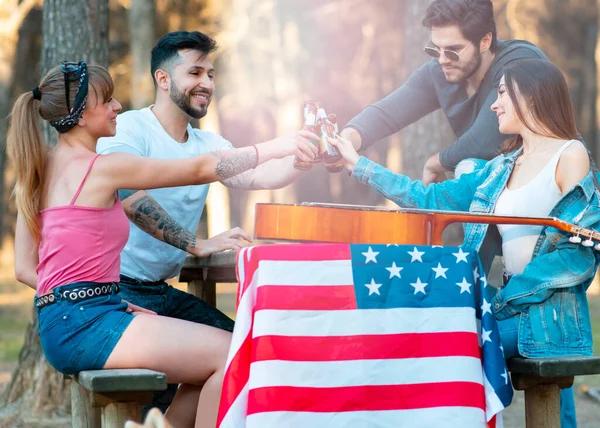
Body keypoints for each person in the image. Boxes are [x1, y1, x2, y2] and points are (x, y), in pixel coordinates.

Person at [9, 61, 316, 428]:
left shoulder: (38, 170)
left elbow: (25, 269)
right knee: (235, 353)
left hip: (66, 321)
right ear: (79, 117)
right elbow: (200, 169)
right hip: (88, 322)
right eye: (105, 100)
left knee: (213, 360)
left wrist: (97, 299)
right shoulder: (103, 167)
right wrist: (278, 146)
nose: (117, 106)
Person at [330, 58, 598, 428]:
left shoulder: (570, 154)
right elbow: (429, 199)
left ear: (531, 96)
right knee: (428, 334)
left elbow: (574, 256)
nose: (494, 103)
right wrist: (358, 164)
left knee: (447, 345)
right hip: (507, 311)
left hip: (544, 321)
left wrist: (500, 303)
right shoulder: (501, 168)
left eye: (503, 92)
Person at [96, 30, 317, 416]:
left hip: (159, 292)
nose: (207, 84)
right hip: (116, 296)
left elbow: (261, 176)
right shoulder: (129, 129)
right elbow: (130, 197)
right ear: (163, 79)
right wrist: (195, 244)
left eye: (211, 75)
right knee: (224, 356)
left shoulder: (208, 142)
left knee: (243, 346)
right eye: (195, 72)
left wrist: (301, 158)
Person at [340, 0, 547, 185]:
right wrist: (345, 140)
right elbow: (386, 114)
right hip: (492, 203)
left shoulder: (521, 61)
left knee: (468, 166)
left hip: (547, 202)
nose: (442, 60)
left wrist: (436, 163)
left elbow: (485, 141)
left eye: (452, 50)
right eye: (435, 49)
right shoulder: (440, 71)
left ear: (485, 41)